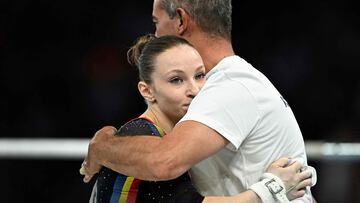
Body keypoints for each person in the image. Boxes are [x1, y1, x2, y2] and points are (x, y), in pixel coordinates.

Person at [81, 0, 317, 202]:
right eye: (177, 80)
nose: (155, 36)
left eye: (156, 23)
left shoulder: (229, 87)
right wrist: (268, 192)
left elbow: (163, 161)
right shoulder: (234, 83)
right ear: (146, 90)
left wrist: (101, 147)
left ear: (181, 20)